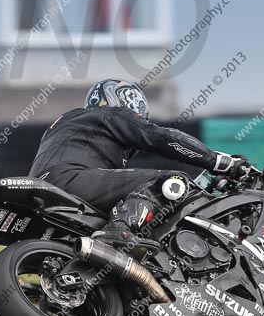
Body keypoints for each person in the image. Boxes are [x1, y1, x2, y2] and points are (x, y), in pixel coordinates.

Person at [28, 79, 250, 256]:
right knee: (171, 181)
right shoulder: (109, 114)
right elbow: (159, 138)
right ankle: (118, 230)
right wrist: (218, 161)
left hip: (43, 190)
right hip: (70, 180)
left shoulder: (69, 126)